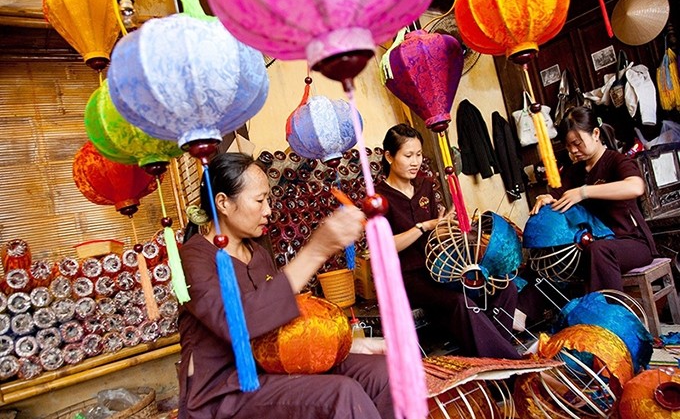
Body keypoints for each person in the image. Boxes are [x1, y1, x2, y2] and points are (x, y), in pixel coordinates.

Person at [178, 153, 394, 419]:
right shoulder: (194, 256)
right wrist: (315, 251)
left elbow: (283, 329)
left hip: (276, 367)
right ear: (223, 202)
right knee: (341, 393)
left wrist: (346, 345)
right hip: (224, 390)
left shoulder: (258, 254)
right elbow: (236, 322)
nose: (268, 210)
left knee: (382, 373)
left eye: (267, 199)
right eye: (259, 200)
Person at [374, 123, 521, 359]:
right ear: (389, 156)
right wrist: (424, 226)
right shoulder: (379, 199)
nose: (416, 162)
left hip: (442, 269)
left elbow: (437, 231)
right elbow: (383, 247)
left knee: (504, 287)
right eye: (408, 155)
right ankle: (509, 361)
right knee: (461, 302)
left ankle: (498, 357)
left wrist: (447, 228)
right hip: (409, 278)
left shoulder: (424, 187)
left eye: (419, 155)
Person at [530, 106, 658, 292]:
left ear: (596, 133)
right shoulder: (574, 172)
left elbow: (635, 186)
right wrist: (546, 198)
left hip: (632, 243)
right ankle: (519, 315)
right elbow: (559, 197)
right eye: (569, 146)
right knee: (549, 256)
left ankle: (607, 316)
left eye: (578, 143)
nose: (573, 151)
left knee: (598, 250)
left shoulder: (617, 161)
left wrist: (584, 192)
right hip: (593, 244)